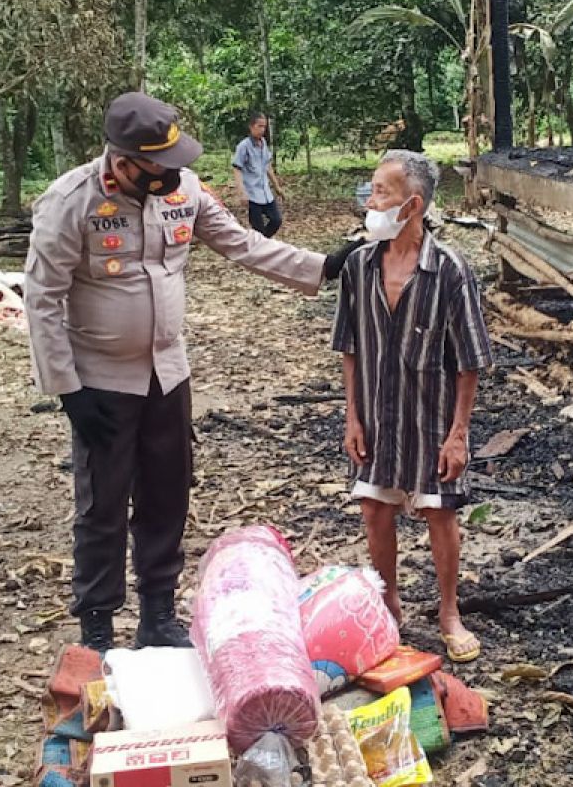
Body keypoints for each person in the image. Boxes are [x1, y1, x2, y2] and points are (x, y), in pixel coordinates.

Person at [25, 92, 353, 653]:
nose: (174, 173)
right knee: (102, 504)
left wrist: (321, 267)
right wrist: (66, 389)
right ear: (125, 162)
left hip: (168, 375)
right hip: (101, 383)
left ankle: (158, 614)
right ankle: (98, 629)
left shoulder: (187, 190)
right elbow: (43, 296)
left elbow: (243, 244)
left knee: (166, 493)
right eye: (160, 165)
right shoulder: (71, 201)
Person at [331, 150, 493, 664]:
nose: (371, 201)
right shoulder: (358, 266)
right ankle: (390, 605)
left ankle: (448, 612)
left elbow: (469, 360)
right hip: (378, 415)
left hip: (431, 416)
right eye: (372, 189)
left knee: (438, 511)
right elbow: (350, 348)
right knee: (375, 509)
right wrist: (352, 416)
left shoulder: (449, 270)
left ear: (413, 204)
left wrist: (458, 433)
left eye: (382, 192)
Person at [232, 112, 285, 238]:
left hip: (265, 193)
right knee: (258, 229)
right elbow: (237, 168)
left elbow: (267, 166)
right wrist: (242, 192)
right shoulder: (244, 146)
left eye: (264, 127)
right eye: (259, 126)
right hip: (252, 195)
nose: (262, 130)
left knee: (276, 220)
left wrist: (277, 187)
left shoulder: (263, 144)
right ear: (251, 127)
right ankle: (260, 248)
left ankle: (260, 245)